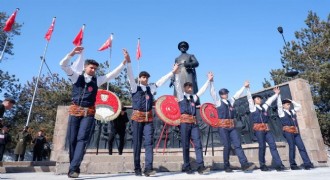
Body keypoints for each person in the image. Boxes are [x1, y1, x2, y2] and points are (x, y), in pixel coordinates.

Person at [60, 46, 129, 178]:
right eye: (91, 68)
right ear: (85, 67)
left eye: (95, 69)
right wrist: (72, 53)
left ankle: (74, 168)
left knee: (82, 139)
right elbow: (62, 65)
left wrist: (123, 63)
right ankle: (73, 166)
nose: (93, 70)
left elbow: (112, 74)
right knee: (73, 139)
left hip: (89, 113)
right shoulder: (76, 77)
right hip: (75, 111)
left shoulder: (96, 80)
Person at [125, 49, 179, 177]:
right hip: (137, 118)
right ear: (139, 78)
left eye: (147, 77)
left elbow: (161, 81)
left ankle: (148, 168)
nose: (145, 79)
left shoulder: (151, 88)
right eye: (143, 77)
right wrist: (128, 62)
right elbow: (130, 75)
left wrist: (172, 72)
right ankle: (137, 168)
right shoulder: (135, 87)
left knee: (149, 142)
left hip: (148, 118)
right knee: (137, 143)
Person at [210, 81, 256, 172]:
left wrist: (244, 87)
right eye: (223, 94)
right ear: (220, 95)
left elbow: (237, 94)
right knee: (227, 146)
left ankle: (244, 164)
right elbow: (213, 93)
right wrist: (211, 82)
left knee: (238, 144)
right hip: (223, 127)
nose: (225, 95)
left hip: (232, 126)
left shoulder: (230, 101)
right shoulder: (218, 102)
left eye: (226, 93)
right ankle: (226, 166)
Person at [174, 72, 213, 174]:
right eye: (188, 87)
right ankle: (187, 166)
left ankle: (201, 166)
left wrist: (209, 80)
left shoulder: (194, 98)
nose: (190, 88)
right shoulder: (181, 97)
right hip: (184, 124)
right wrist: (176, 73)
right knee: (186, 145)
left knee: (198, 144)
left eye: (191, 87)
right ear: (184, 88)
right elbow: (177, 85)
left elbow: (202, 91)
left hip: (193, 123)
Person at [246, 86, 286, 171]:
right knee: (262, 146)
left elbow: (270, 100)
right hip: (258, 130)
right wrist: (248, 89)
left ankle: (279, 164)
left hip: (267, 130)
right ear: (254, 100)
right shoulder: (252, 108)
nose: (259, 100)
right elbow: (249, 99)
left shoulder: (264, 107)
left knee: (273, 145)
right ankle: (262, 164)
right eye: (257, 99)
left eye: (260, 99)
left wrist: (276, 94)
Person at [276, 96, 314, 170]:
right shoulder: (281, 113)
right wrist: (278, 96)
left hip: (295, 131)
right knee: (292, 147)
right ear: (283, 105)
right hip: (288, 131)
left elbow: (299, 106)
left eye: (289, 104)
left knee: (301, 147)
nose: (288, 105)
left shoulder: (292, 111)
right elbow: (279, 106)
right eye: (287, 104)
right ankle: (293, 164)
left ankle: (307, 163)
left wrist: (291, 101)